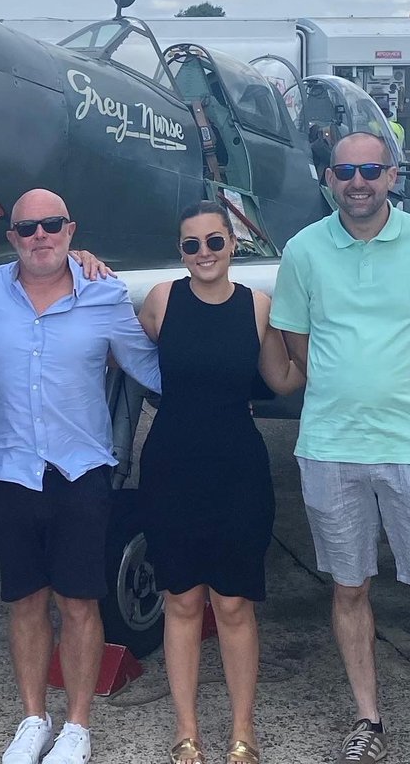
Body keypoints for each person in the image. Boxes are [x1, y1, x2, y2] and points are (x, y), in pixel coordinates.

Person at [270, 132, 410, 764]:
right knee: (349, 587)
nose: (357, 181)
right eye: (345, 171)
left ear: (393, 175)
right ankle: (369, 719)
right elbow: (299, 346)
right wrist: (351, 389)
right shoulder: (305, 251)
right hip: (331, 446)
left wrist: (402, 391)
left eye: (370, 170)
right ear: (329, 178)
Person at [0, 189, 161, 764]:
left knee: (79, 604)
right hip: (7, 472)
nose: (40, 236)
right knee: (24, 601)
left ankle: (77, 725)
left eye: (51, 226)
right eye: (27, 228)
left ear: (70, 230)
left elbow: (147, 364)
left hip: (80, 472)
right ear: (11, 237)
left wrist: (221, 384)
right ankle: (33, 717)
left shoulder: (106, 293)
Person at [137, 201, 303, 764]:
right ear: (180, 252)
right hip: (172, 465)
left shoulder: (259, 307)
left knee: (233, 604)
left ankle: (242, 728)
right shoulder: (161, 300)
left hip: (238, 468)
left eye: (214, 241)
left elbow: (283, 378)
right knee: (181, 600)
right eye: (192, 245)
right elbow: (126, 357)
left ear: (234, 244)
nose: (204, 253)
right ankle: (186, 731)